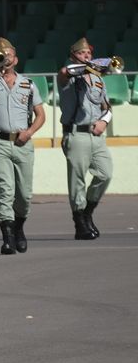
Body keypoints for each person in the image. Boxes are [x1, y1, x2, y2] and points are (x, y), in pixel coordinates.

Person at [0, 38, 43, 255]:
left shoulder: (28, 84)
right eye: (1, 54)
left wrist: (29, 132)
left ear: (16, 59)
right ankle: (7, 237)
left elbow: (41, 115)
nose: (6, 58)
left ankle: (18, 228)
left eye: (9, 54)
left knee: (24, 194)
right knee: (4, 190)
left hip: (22, 143)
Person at [58, 37, 114, 241]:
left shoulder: (98, 80)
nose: (87, 57)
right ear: (73, 56)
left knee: (105, 173)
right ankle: (79, 222)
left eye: (89, 54)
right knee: (77, 180)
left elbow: (107, 108)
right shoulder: (69, 76)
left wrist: (104, 122)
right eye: (82, 54)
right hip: (76, 133)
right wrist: (88, 66)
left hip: (96, 134)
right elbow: (65, 73)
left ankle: (88, 211)